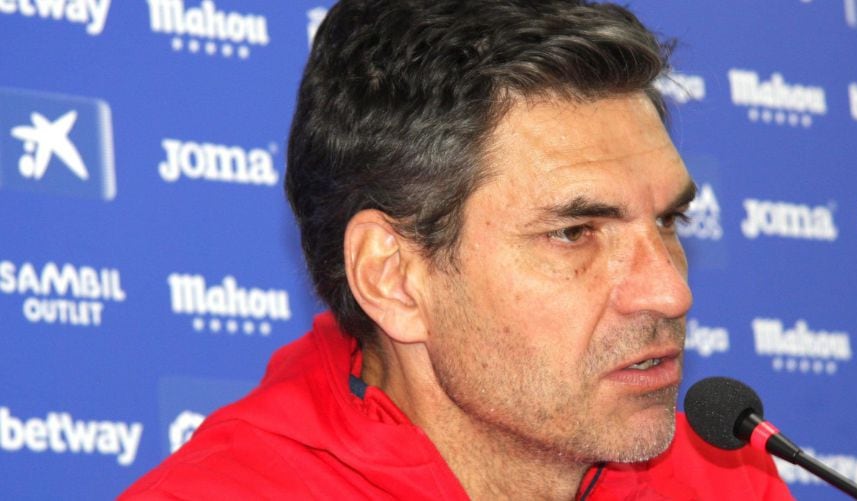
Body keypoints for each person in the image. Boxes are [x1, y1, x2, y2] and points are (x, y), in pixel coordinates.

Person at [123, 0, 793, 498]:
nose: (671, 291)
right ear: (393, 277)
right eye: (574, 233)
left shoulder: (725, 479)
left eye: (670, 220)